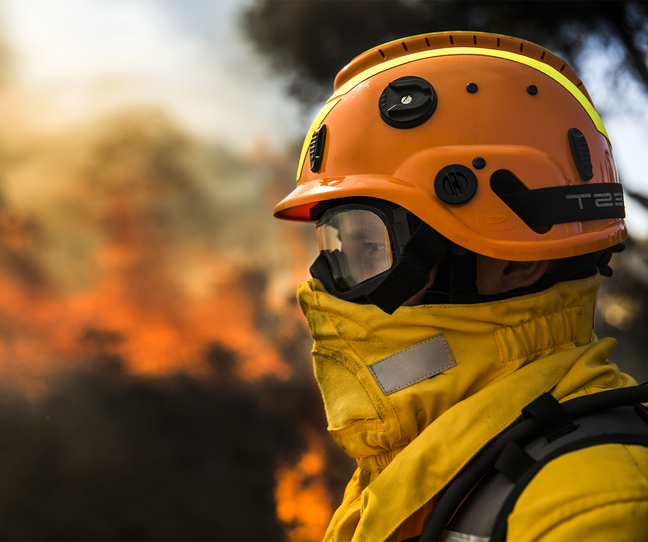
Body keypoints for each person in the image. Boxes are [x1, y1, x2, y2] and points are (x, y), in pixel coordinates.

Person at [274, 31, 648, 541]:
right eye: (336, 243)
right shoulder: (427, 459)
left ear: (513, 262)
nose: (329, 285)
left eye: (370, 246)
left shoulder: (592, 507)